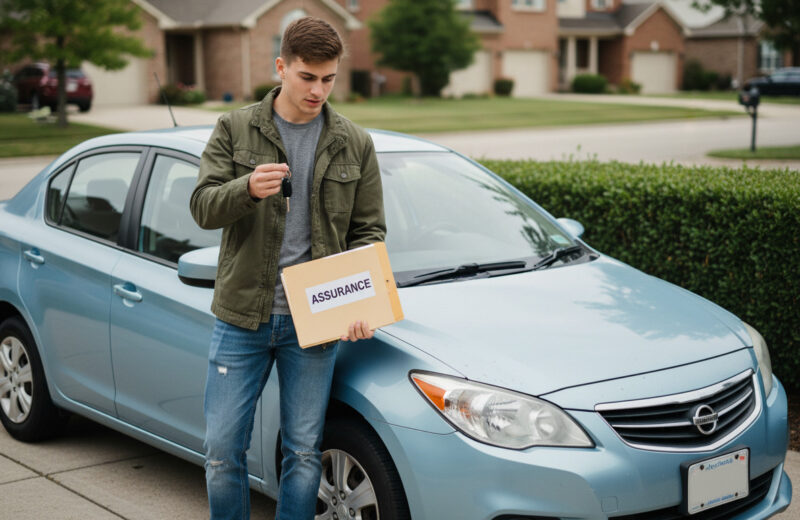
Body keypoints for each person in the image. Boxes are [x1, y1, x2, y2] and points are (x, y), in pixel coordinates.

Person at [190, 16, 386, 520]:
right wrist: (245, 189)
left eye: (329, 79)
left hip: (314, 322)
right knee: (220, 451)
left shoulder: (354, 142)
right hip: (241, 318)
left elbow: (368, 234)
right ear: (281, 67)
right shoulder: (235, 128)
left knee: (302, 451)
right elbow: (202, 207)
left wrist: (361, 306)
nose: (318, 90)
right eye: (307, 77)